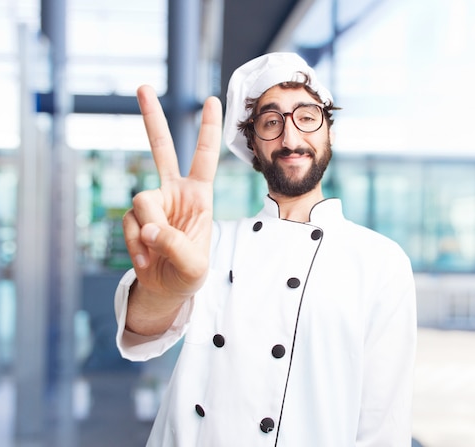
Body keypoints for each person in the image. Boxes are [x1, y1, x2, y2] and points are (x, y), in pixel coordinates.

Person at [115, 52, 417, 446]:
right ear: (253, 146)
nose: (291, 139)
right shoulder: (210, 241)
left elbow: (383, 423)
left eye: (306, 117)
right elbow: (142, 331)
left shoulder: (381, 262)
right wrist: (159, 293)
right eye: (271, 123)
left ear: (330, 131)